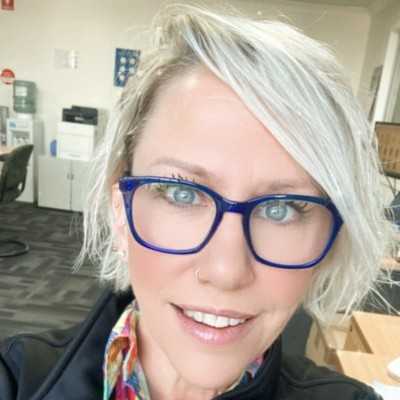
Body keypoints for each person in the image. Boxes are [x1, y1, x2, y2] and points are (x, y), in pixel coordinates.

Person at [0, 4, 393, 400]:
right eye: (182, 194)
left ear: (331, 236)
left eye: (281, 210)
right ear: (121, 213)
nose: (226, 271)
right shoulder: (14, 381)